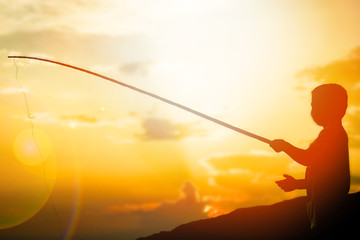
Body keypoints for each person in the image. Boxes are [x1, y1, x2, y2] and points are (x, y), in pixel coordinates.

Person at [269, 84, 350, 235]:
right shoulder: (331, 134)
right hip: (321, 216)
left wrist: (284, 146)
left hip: (329, 217)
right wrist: (296, 184)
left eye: (315, 105)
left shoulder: (332, 135)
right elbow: (324, 178)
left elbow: (307, 158)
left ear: (331, 107)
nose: (312, 111)